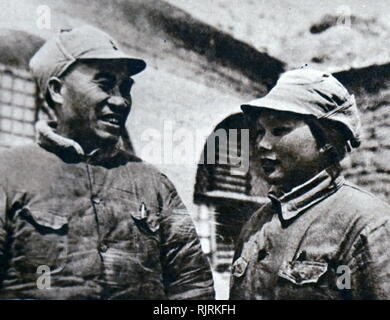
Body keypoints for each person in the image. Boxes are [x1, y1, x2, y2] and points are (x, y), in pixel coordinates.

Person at [0, 25, 214, 299]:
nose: (121, 101)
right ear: (57, 91)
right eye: (104, 84)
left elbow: (193, 290)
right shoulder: (8, 174)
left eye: (125, 88)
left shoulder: (155, 186)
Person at [230, 68, 390, 300]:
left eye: (279, 130)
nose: (263, 144)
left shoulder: (369, 225)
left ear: (326, 139)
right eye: (260, 132)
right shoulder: (256, 224)